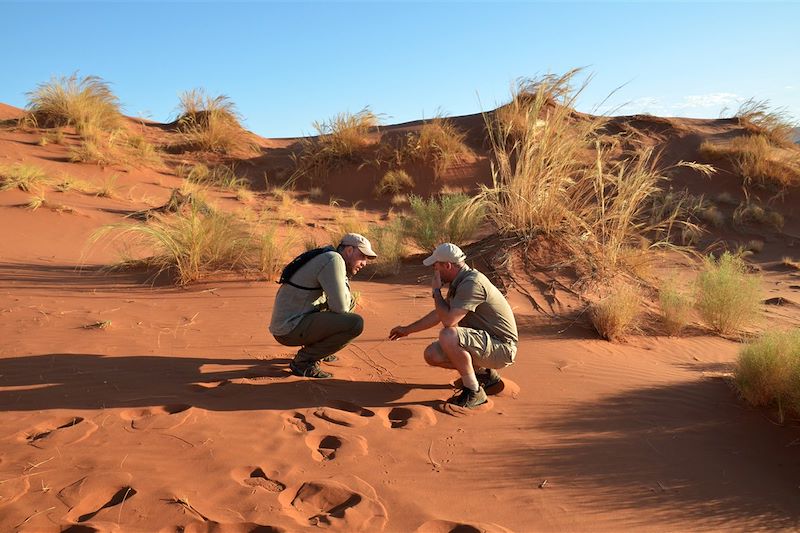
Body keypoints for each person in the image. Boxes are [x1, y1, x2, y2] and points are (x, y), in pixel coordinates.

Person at [389, 243, 518, 408]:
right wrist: (406, 330)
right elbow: (439, 314)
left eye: (436, 267)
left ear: (448, 265)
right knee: (432, 354)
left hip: (502, 348)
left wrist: (436, 292)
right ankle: (484, 375)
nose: (434, 271)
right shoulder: (460, 282)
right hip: (488, 343)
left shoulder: (472, 283)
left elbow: (448, 320)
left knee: (448, 335)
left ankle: (474, 391)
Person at [270, 233, 377, 378]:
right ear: (349, 250)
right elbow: (340, 308)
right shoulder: (333, 259)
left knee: (350, 301)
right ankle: (304, 362)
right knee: (355, 323)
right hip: (289, 328)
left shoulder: (329, 256)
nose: (364, 263)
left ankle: (319, 349)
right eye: (362, 256)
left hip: (293, 322)